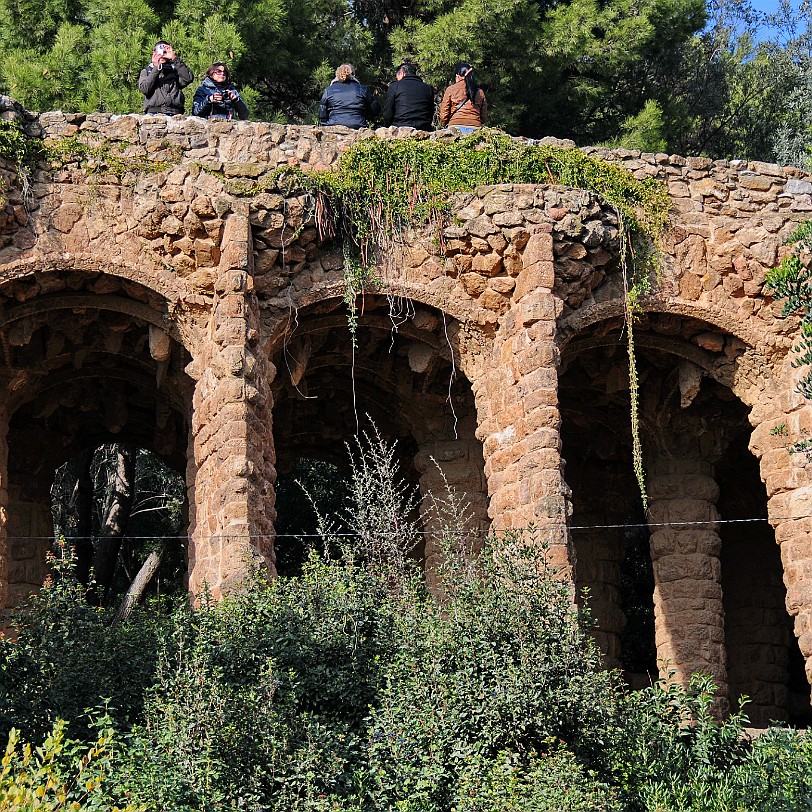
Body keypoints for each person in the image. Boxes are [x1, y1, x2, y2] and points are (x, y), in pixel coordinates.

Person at [138, 42, 194, 115]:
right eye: (160, 52)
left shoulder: (175, 70)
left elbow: (188, 78)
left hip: (175, 112)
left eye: (165, 52)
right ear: (154, 53)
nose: (162, 55)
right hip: (154, 112)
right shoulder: (147, 71)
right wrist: (156, 68)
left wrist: (174, 58)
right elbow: (145, 89)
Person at [318, 63, 380, 129]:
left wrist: (325, 126)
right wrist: (365, 117)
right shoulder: (362, 89)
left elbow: (322, 114)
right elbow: (375, 109)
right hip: (358, 126)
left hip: (334, 126)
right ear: (353, 75)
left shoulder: (329, 90)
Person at [382, 63, 435, 131]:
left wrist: (387, 127)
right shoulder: (428, 88)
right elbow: (430, 112)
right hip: (423, 128)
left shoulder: (395, 86)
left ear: (401, 73)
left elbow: (388, 112)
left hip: (400, 127)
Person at [439, 62, 487, 132]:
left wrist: (446, 124)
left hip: (455, 126)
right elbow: (484, 117)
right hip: (475, 127)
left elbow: (444, 115)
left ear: (457, 76)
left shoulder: (450, 89)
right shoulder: (480, 92)